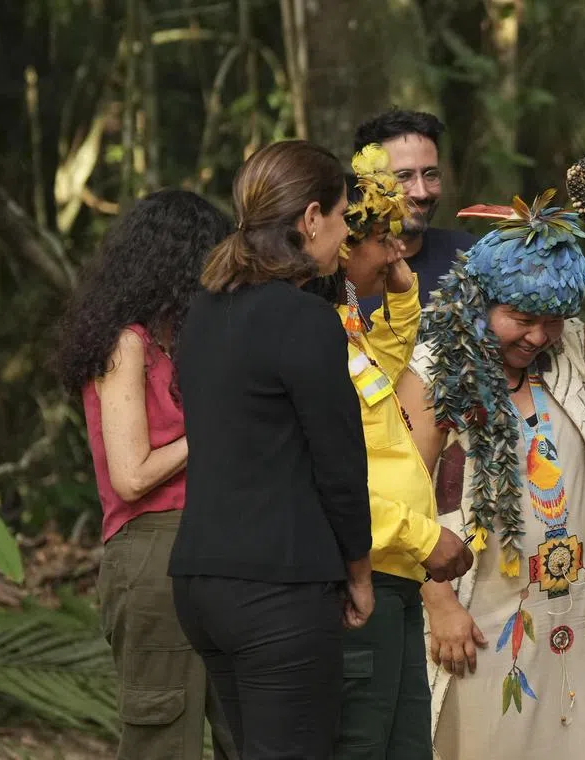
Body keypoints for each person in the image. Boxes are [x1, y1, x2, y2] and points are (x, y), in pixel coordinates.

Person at [398, 190, 585, 760]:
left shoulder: (568, 353)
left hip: (576, 611)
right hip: (477, 611)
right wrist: (439, 604)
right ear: (478, 301)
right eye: (522, 319)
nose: (537, 337)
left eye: (552, 320)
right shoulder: (435, 370)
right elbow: (399, 496)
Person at [169, 139, 375, 759]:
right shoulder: (303, 318)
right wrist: (359, 571)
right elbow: (338, 461)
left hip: (201, 581)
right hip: (277, 587)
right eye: (342, 218)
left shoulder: (202, 310)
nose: (345, 236)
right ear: (310, 218)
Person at [55, 189, 237, 760]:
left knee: (249, 728)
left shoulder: (181, 345)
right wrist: (213, 428)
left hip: (218, 542)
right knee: (164, 735)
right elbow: (131, 476)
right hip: (155, 549)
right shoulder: (126, 345)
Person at [307, 144, 474, 760]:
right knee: (362, 743)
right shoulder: (312, 334)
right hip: (367, 572)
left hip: (398, 572)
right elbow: (325, 476)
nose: (399, 250)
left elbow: (382, 370)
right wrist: (421, 538)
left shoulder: (345, 324)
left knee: (407, 745)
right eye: (385, 239)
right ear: (345, 245)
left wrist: (402, 297)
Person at [353, 109, 476, 312]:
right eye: (403, 176)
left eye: (430, 174)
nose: (421, 192)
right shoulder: (337, 270)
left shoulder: (472, 259)